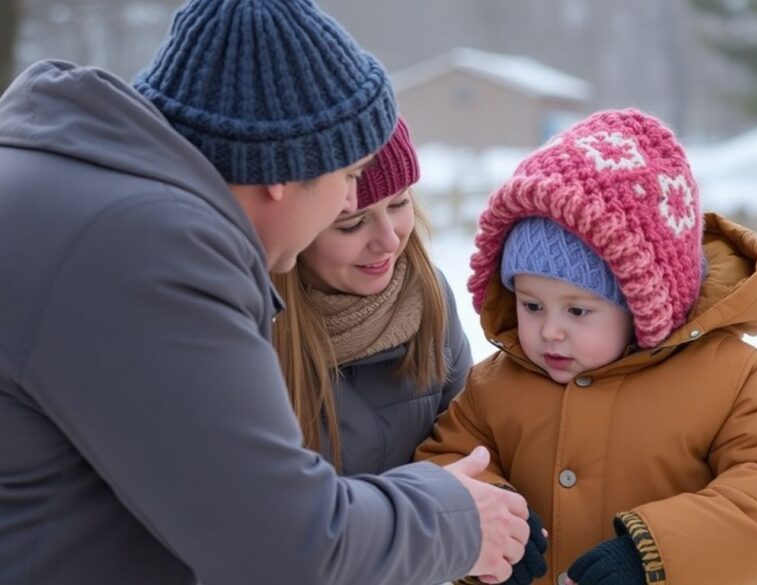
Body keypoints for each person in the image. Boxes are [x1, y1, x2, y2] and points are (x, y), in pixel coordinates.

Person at [0, 0, 528, 584]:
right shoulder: (144, 252)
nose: (352, 204)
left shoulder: (80, 194)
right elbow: (283, 545)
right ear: (280, 177)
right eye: (350, 179)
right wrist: (455, 520)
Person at [417, 109, 757, 585]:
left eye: (577, 311)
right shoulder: (494, 386)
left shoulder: (728, 379)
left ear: (644, 305)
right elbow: (446, 463)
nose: (550, 331)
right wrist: (481, 530)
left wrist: (655, 554)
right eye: (532, 305)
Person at [272, 116, 473, 475]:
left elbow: (468, 445)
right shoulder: (254, 327)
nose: (390, 241)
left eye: (399, 204)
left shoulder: (429, 297)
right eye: (352, 224)